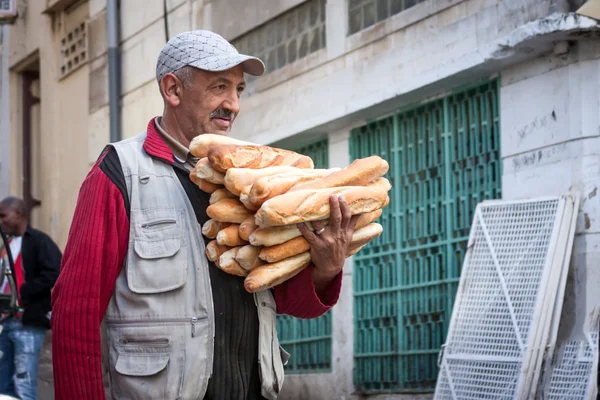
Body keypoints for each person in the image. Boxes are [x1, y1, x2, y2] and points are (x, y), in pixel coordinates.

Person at [51, 30, 358, 400]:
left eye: (239, 89)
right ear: (173, 90)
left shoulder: (252, 180)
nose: (233, 104)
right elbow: (75, 310)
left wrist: (325, 269)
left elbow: (290, 303)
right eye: (219, 87)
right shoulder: (119, 173)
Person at [0, 197, 62, 400]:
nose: (1, 221)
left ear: (18, 213)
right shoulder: (7, 245)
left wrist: (25, 291)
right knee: (3, 386)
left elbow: (55, 270)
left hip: (27, 322)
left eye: (3, 215)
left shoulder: (38, 241)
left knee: (24, 386)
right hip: (5, 320)